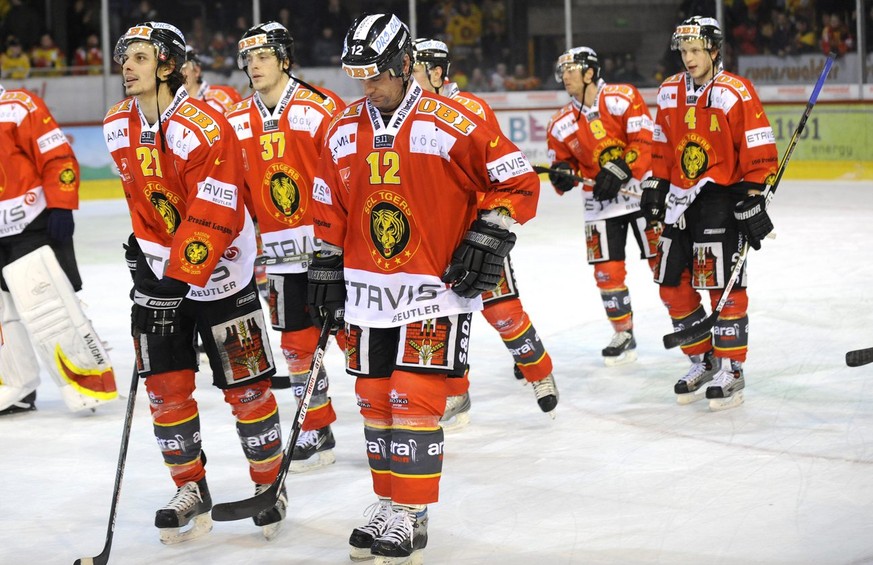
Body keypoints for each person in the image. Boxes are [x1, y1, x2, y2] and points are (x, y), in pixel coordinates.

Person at [308, 13, 540, 564]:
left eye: (377, 74)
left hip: (434, 289)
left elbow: (516, 179)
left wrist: (491, 227)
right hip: (367, 291)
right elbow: (327, 206)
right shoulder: (341, 129)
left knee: (412, 398)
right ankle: (388, 501)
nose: (367, 85)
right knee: (372, 401)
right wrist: (325, 264)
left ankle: (412, 513)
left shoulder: (453, 120)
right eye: (357, 74)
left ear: (404, 65)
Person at [104, 21, 285, 543]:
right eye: (125, 58)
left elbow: (218, 210)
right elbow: (142, 199)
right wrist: (144, 255)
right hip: (161, 282)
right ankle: (190, 488)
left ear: (167, 65)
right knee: (165, 390)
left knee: (248, 390)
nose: (127, 67)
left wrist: (179, 276)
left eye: (139, 57)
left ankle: (268, 483)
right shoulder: (118, 123)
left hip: (222, 278)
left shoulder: (205, 126)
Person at [412, 37, 559, 429]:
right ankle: (456, 394)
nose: (407, 77)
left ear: (438, 72)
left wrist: (490, 227)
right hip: (430, 239)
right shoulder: (407, 114)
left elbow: (502, 169)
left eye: (414, 69)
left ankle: (539, 371)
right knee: (441, 319)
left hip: (477, 236)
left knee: (502, 310)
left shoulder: (470, 108)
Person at [641, 16, 778, 411]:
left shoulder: (735, 91)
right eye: (684, 51)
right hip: (679, 201)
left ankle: (732, 367)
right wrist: (657, 181)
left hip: (720, 197)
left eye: (696, 51)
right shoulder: (669, 91)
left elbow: (757, 145)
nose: (688, 58)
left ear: (714, 51)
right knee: (670, 283)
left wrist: (754, 193)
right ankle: (702, 359)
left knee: (722, 285)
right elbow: (663, 144)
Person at [227, 21, 345, 472]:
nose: (253, 65)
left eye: (263, 56)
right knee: (296, 346)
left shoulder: (319, 108)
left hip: (330, 249)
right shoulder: (237, 119)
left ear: (285, 60)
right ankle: (317, 427)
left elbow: (345, 176)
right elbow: (232, 189)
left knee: (354, 337)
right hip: (279, 253)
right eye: (248, 58)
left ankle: (390, 417)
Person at [0, 82, 117, 416]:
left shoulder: (19, 105)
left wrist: (62, 204)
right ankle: (16, 385)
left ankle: (89, 382)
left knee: (49, 308)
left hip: (31, 222)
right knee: (3, 314)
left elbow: (58, 156)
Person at [546, 46, 658, 366]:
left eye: (572, 70)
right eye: (563, 71)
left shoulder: (622, 97)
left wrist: (623, 168)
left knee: (664, 265)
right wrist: (563, 175)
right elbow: (560, 165)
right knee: (607, 274)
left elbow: (644, 141)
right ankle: (623, 331)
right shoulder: (560, 123)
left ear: (590, 72)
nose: (565, 76)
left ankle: (687, 322)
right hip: (600, 206)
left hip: (641, 194)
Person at [181, 45, 242, 114]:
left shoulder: (226, 94)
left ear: (196, 71)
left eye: (182, 69)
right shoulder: (170, 107)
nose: (177, 74)